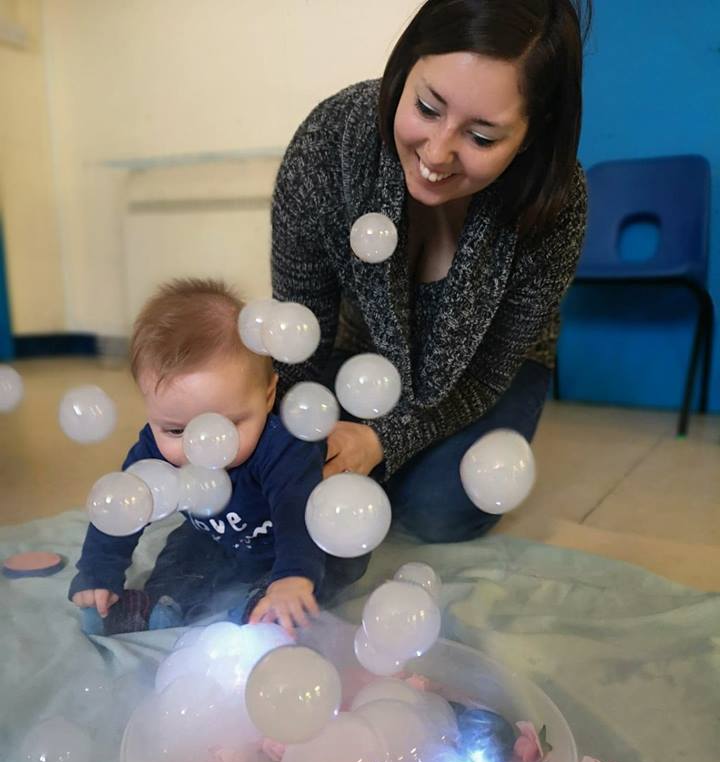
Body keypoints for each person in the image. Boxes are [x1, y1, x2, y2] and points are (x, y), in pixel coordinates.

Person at [271, 0, 591, 544]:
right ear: (405, 68)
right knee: (298, 462)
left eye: (483, 137)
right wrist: (286, 442)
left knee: (434, 511)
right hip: (364, 352)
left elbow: (488, 371)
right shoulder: (329, 145)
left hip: (492, 368)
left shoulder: (555, 205)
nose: (437, 153)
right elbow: (300, 334)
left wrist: (380, 442)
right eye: (426, 107)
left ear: (533, 137)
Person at [69, 278, 358, 637]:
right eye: (176, 430)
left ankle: (261, 607)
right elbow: (118, 510)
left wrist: (292, 578)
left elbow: (299, 515)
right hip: (219, 538)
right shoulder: (152, 452)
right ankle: (162, 603)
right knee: (183, 553)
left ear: (268, 396)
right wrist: (98, 572)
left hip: (300, 538)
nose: (202, 447)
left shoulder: (284, 444)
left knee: (325, 569)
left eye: (227, 426)